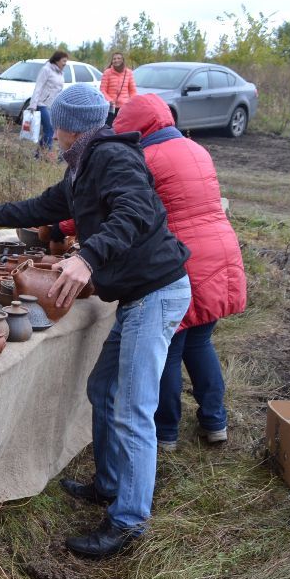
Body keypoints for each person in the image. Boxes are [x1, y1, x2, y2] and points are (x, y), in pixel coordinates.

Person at [0, 86, 192, 558]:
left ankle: (128, 523)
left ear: (66, 125)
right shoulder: (83, 166)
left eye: (54, 121)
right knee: (103, 390)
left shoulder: (112, 158)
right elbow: (44, 207)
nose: (51, 128)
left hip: (156, 293)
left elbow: (137, 212)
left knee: (132, 410)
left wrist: (87, 257)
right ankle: (109, 484)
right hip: (138, 296)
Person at [112, 93, 247, 451]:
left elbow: (117, 205)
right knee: (200, 342)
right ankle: (215, 422)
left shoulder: (146, 158)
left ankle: (165, 433)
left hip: (184, 259)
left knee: (169, 347)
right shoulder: (195, 148)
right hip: (221, 250)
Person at [31, 51, 68, 157]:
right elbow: (38, 87)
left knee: (49, 130)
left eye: (66, 61)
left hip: (53, 105)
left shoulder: (61, 73)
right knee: (50, 129)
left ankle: (38, 154)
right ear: (57, 60)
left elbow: (59, 90)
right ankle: (47, 154)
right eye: (64, 61)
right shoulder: (46, 69)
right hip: (42, 103)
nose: (65, 63)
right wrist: (33, 104)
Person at [99, 51, 136, 122]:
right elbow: (102, 90)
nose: (116, 60)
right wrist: (110, 100)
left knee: (122, 127)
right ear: (112, 61)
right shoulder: (107, 72)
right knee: (109, 126)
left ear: (122, 60)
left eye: (119, 58)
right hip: (110, 107)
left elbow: (133, 91)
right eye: (114, 59)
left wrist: (130, 102)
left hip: (124, 108)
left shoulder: (129, 73)